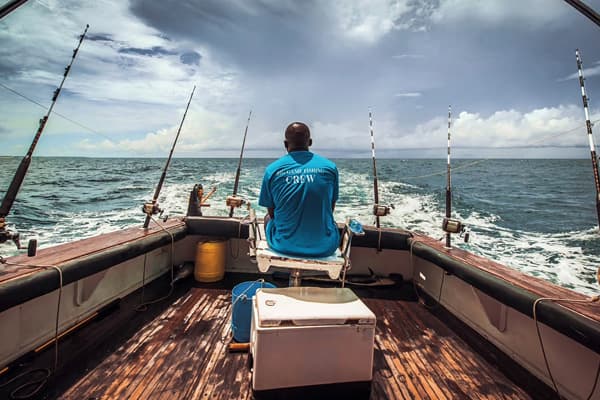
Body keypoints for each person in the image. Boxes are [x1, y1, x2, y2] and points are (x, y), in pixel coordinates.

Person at [259, 122, 340, 258]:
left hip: (283, 246)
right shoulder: (330, 168)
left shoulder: (272, 170)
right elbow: (330, 209)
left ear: (285, 144)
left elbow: (272, 214)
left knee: (267, 218)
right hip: (325, 247)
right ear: (310, 142)